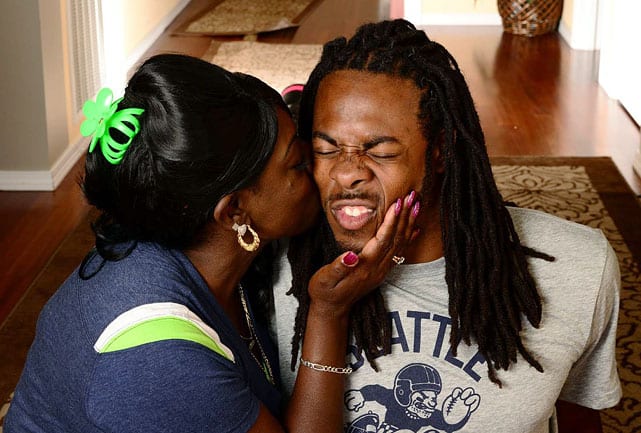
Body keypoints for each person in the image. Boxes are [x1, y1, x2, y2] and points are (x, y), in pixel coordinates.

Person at [4, 53, 418, 433]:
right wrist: (329, 312)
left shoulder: (191, 242)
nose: (326, 171)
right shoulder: (158, 359)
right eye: (297, 163)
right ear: (234, 211)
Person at [271, 20, 622, 433]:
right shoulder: (273, 264)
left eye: (380, 152)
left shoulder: (579, 268)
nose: (346, 173)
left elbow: (579, 414)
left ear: (440, 151)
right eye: (326, 149)